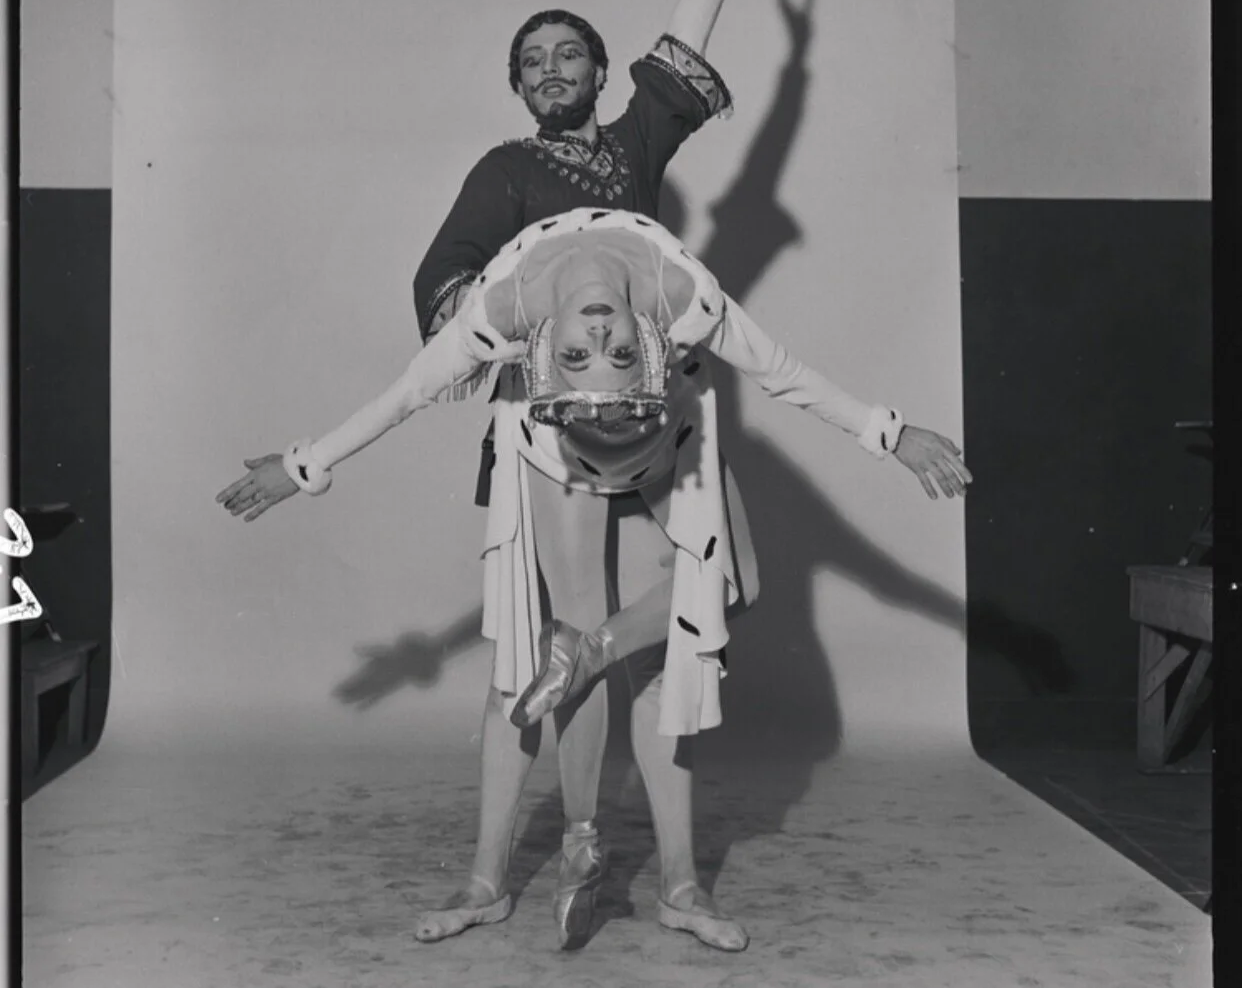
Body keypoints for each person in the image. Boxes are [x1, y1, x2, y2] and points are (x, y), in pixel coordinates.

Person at [223, 0, 754, 951]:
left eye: (569, 54)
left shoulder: (637, 141)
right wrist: (521, 354)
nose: (551, 69)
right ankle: (488, 878)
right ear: (519, 88)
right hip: (546, 432)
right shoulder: (505, 170)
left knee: (688, 627)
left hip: (653, 420)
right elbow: (446, 282)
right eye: (532, 61)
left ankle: (682, 884)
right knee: (536, 656)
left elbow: (691, 31)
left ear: (601, 73)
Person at [219, 208, 972, 953]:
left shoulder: (686, 299)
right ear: (542, 346)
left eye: (612, 350)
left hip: (661, 429)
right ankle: (529, 867)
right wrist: (303, 464)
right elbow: (408, 392)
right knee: (555, 644)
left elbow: (781, 372)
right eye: (578, 354)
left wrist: (892, 434)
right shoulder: (501, 313)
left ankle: (630, 755)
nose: (601, 335)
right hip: (557, 449)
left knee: (715, 590)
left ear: (653, 342)